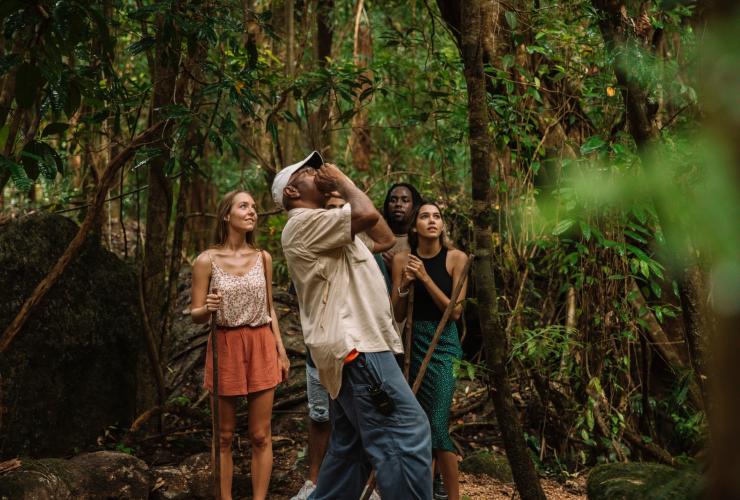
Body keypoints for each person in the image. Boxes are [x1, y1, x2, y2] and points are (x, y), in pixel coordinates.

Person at [273, 151, 433, 500]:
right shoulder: (302, 223)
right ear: (291, 192)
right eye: (308, 171)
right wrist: (344, 181)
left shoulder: (327, 224)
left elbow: (385, 236)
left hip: (356, 348)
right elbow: (367, 213)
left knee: (349, 453)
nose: (318, 172)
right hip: (357, 347)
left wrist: (342, 193)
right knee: (407, 433)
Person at [190, 190, 291, 500]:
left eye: (254, 207)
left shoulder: (263, 258)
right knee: (223, 436)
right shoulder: (206, 260)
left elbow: (270, 307)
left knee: (260, 435)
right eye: (244, 206)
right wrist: (207, 307)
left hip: (261, 342)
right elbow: (195, 315)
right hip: (225, 345)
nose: (252, 212)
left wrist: (281, 350)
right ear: (226, 215)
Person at [291, 193, 391, 500]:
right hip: (324, 351)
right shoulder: (313, 245)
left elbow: (384, 237)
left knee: (356, 424)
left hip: (361, 352)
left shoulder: (361, 249)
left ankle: (359, 486)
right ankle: (315, 482)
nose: (338, 215)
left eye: (342, 210)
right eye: (330, 210)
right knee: (323, 416)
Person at [390, 202, 469, 500]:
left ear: (443, 225)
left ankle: (452, 496)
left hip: (444, 344)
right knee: (418, 425)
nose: (432, 221)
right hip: (413, 344)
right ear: (414, 226)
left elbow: (456, 313)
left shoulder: (456, 258)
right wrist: (406, 285)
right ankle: (423, 492)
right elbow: (395, 313)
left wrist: (425, 277)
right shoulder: (401, 260)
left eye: (437, 216)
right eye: (425, 216)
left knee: (437, 424)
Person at [381, 183, 424, 268]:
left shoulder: (422, 240)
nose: (398, 204)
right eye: (393, 200)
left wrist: (396, 267)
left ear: (414, 206)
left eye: (405, 200)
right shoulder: (377, 237)